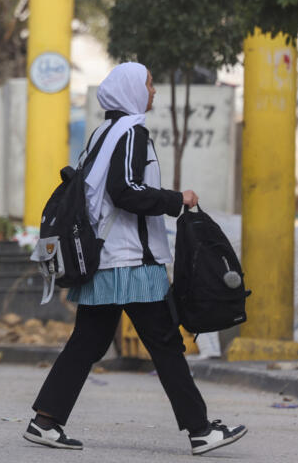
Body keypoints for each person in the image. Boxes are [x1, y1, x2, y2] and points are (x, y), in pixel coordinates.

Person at [23, 62, 247, 456]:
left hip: (105, 260)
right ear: (131, 89)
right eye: (149, 81)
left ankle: (45, 421)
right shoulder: (131, 133)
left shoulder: (103, 133)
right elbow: (125, 190)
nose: (154, 89)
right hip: (129, 261)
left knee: (87, 344)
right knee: (165, 344)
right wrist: (177, 200)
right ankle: (199, 430)